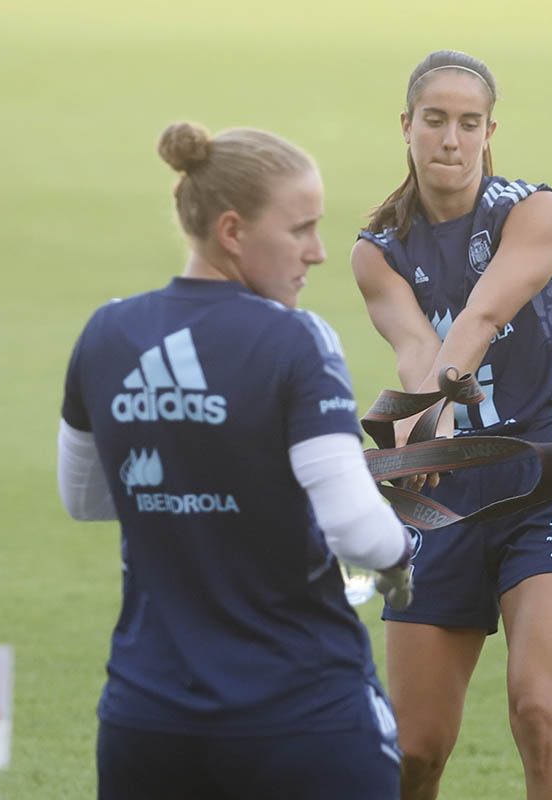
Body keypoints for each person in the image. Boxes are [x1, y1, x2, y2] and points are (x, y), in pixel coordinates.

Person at [57, 121, 414, 800]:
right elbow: (357, 532)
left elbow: (85, 498)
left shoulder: (107, 333)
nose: (318, 252)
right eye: (301, 229)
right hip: (301, 718)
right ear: (231, 232)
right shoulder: (295, 340)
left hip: (147, 718)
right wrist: (401, 557)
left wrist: (198, 482)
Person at [350, 50, 552, 800]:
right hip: (445, 502)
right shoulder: (377, 251)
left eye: (469, 123)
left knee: (539, 713)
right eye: (435, 121)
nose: (451, 140)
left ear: (491, 131)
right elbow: (418, 350)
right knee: (415, 751)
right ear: (406, 127)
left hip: (542, 484)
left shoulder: (536, 211)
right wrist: (411, 435)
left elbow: (482, 316)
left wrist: (426, 420)